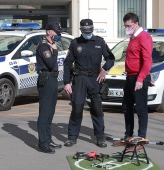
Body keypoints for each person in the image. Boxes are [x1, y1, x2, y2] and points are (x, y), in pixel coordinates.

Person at [63, 19, 115, 148]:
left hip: (95, 79)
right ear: (81, 30)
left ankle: (100, 137)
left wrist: (104, 69)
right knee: (77, 108)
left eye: (89, 30)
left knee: (97, 110)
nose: (87, 33)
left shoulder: (100, 42)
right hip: (79, 79)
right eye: (85, 31)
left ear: (92, 29)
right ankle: (72, 137)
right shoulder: (75, 43)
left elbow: (111, 58)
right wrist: (66, 82)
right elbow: (68, 63)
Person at [120, 12, 153, 151]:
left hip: (138, 78)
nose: (126, 28)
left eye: (128, 25)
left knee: (140, 109)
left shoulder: (144, 37)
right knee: (126, 107)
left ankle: (140, 140)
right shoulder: (133, 37)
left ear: (136, 24)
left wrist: (142, 78)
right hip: (130, 76)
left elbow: (147, 60)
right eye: (125, 26)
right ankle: (128, 137)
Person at [36, 22, 62, 153]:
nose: (58, 35)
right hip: (46, 80)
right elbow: (51, 64)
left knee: (50, 113)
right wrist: (55, 51)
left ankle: (48, 138)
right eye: (56, 32)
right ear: (49, 32)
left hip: (52, 79)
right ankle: (43, 143)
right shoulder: (43, 47)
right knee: (44, 113)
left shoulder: (50, 46)